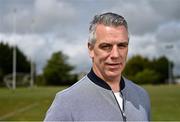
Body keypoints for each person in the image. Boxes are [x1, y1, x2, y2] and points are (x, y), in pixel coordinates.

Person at [44, 12, 151, 121]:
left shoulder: (141, 96)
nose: (116, 55)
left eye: (122, 45)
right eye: (106, 46)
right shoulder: (66, 102)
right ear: (91, 49)